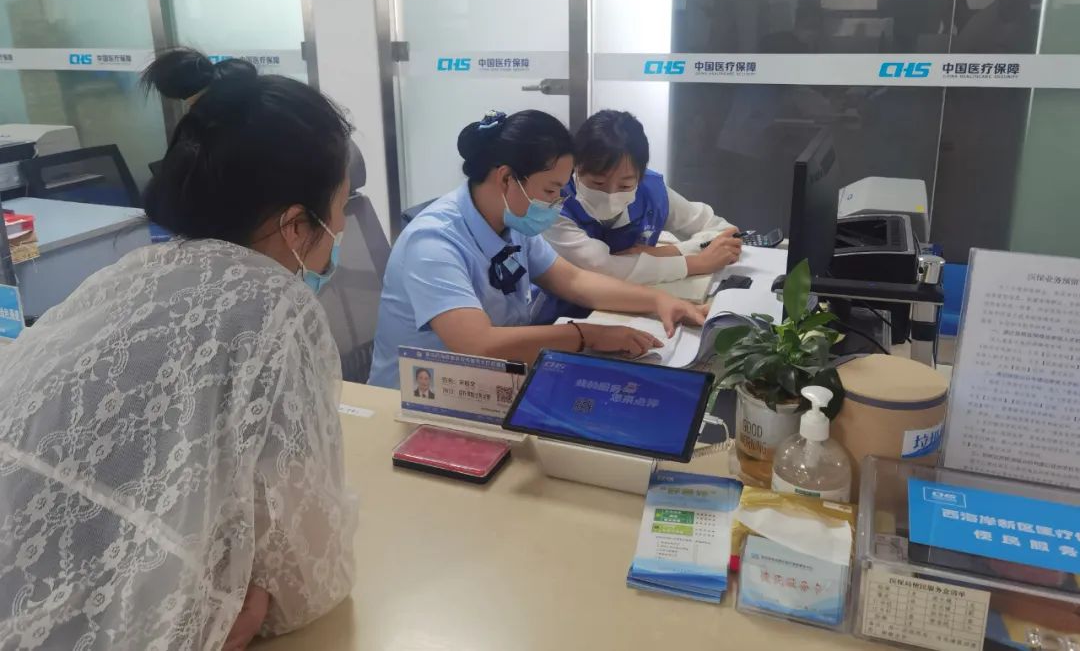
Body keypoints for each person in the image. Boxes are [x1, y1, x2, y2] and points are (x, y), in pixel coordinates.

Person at [0, 49, 357, 651]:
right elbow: (310, 579)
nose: (342, 228)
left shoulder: (130, 271)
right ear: (296, 224)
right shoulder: (273, 304)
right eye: (341, 207)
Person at [369, 110, 710, 389]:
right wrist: (586, 335)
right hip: (420, 399)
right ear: (506, 179)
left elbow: (574, 280)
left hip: (490, 384)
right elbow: (478, 344)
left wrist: (659, 301)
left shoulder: (512, 223)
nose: (558, 201)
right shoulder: (433, 243)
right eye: (550, 190)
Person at [545, 110, 742, 294]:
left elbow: (724, 231)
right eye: (597, 182)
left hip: (637, 300)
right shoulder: (553, 200)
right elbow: (601, 266)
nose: (610, 193)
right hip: (567, 307)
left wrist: (667, 252)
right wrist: (696, 264)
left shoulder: (651, 191)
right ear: (576, 168)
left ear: (640, 177)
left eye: (625, 185)